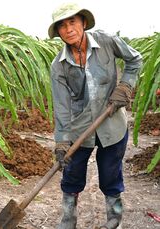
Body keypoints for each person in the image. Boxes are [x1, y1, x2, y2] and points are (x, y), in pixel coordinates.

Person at [48, 3, 142, 229]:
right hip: (80, 129)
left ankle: (113, 222)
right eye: (62, 26)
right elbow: (61, 106)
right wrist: (61, 141)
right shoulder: (58, 66)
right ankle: (68, 222)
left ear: (83, 23)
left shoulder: (107, 41)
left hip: (112, 124)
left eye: (72, 22)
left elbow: (135, 60)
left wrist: (125, 86)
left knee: (111, 175)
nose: (68, 29)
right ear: (58, 32)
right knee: (71, 176)